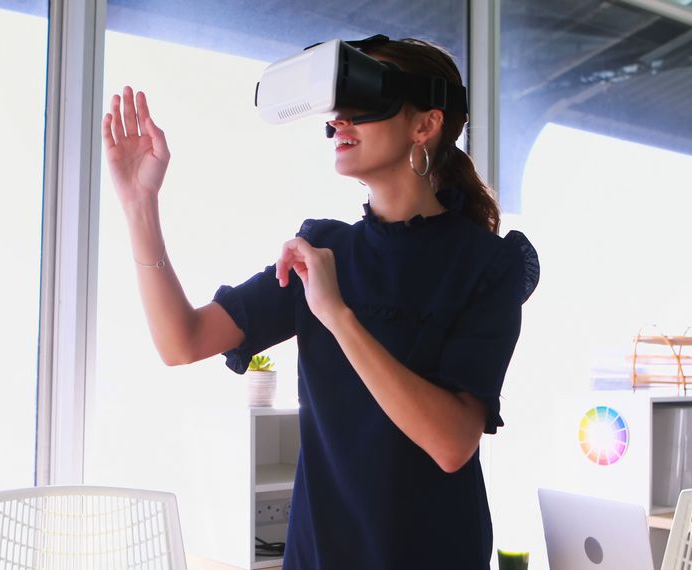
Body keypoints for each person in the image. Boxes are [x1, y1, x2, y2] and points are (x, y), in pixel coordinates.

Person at [102, 36, 539, 570]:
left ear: (426, 124)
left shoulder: (486, 266)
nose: (339, 125)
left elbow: (451, 444)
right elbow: (181, 341)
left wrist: (336, 314)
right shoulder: (324, 251)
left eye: (364, 106)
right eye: (336, 113)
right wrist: (138, 204)